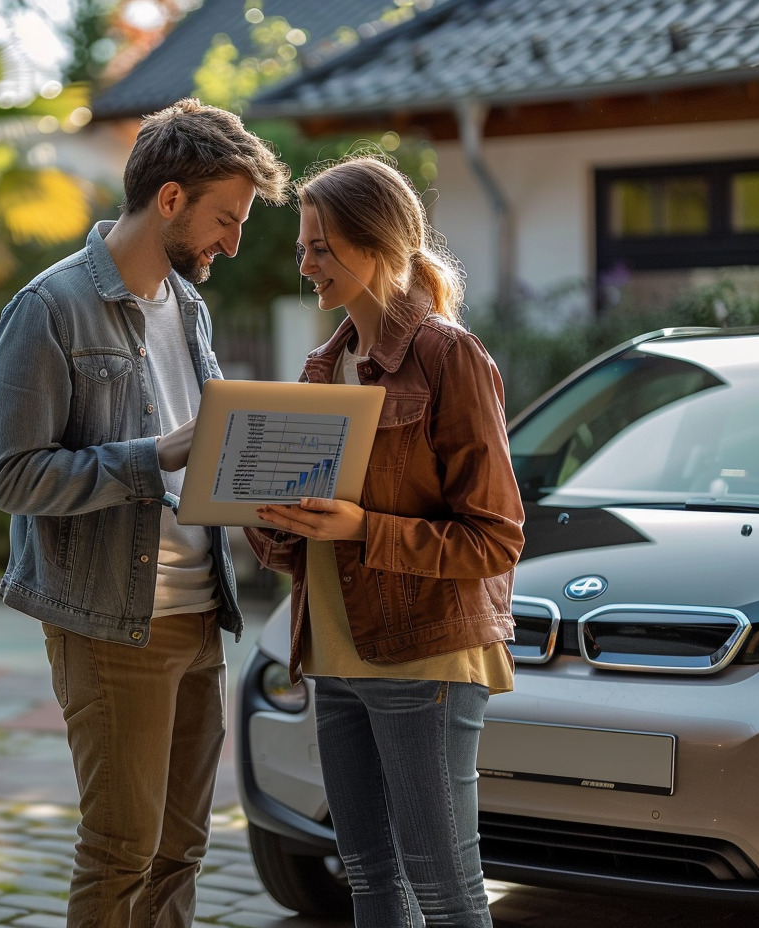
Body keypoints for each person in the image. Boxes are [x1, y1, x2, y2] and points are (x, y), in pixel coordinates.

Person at [0, 98, 289, 928]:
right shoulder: (48, 309)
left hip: (200, 616)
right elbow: (14, 477)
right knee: (121, 850)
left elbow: (205, 453)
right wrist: (153, 456)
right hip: (111, 622)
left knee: (181, 851)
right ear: (170, 200)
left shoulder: (189, 309)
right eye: (226, 220)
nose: (233, 243)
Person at [245, 153, 525, 927]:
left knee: (445, 890)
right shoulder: (321, 368)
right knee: (368, 883)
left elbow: (495, 539)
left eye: (321, 247)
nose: (306, 264)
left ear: (376, 247)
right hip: (333, 659)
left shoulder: (447, 356)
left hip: (425, 657)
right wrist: (265, 517)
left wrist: (365, 527)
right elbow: (298, 545)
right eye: (303, 247)